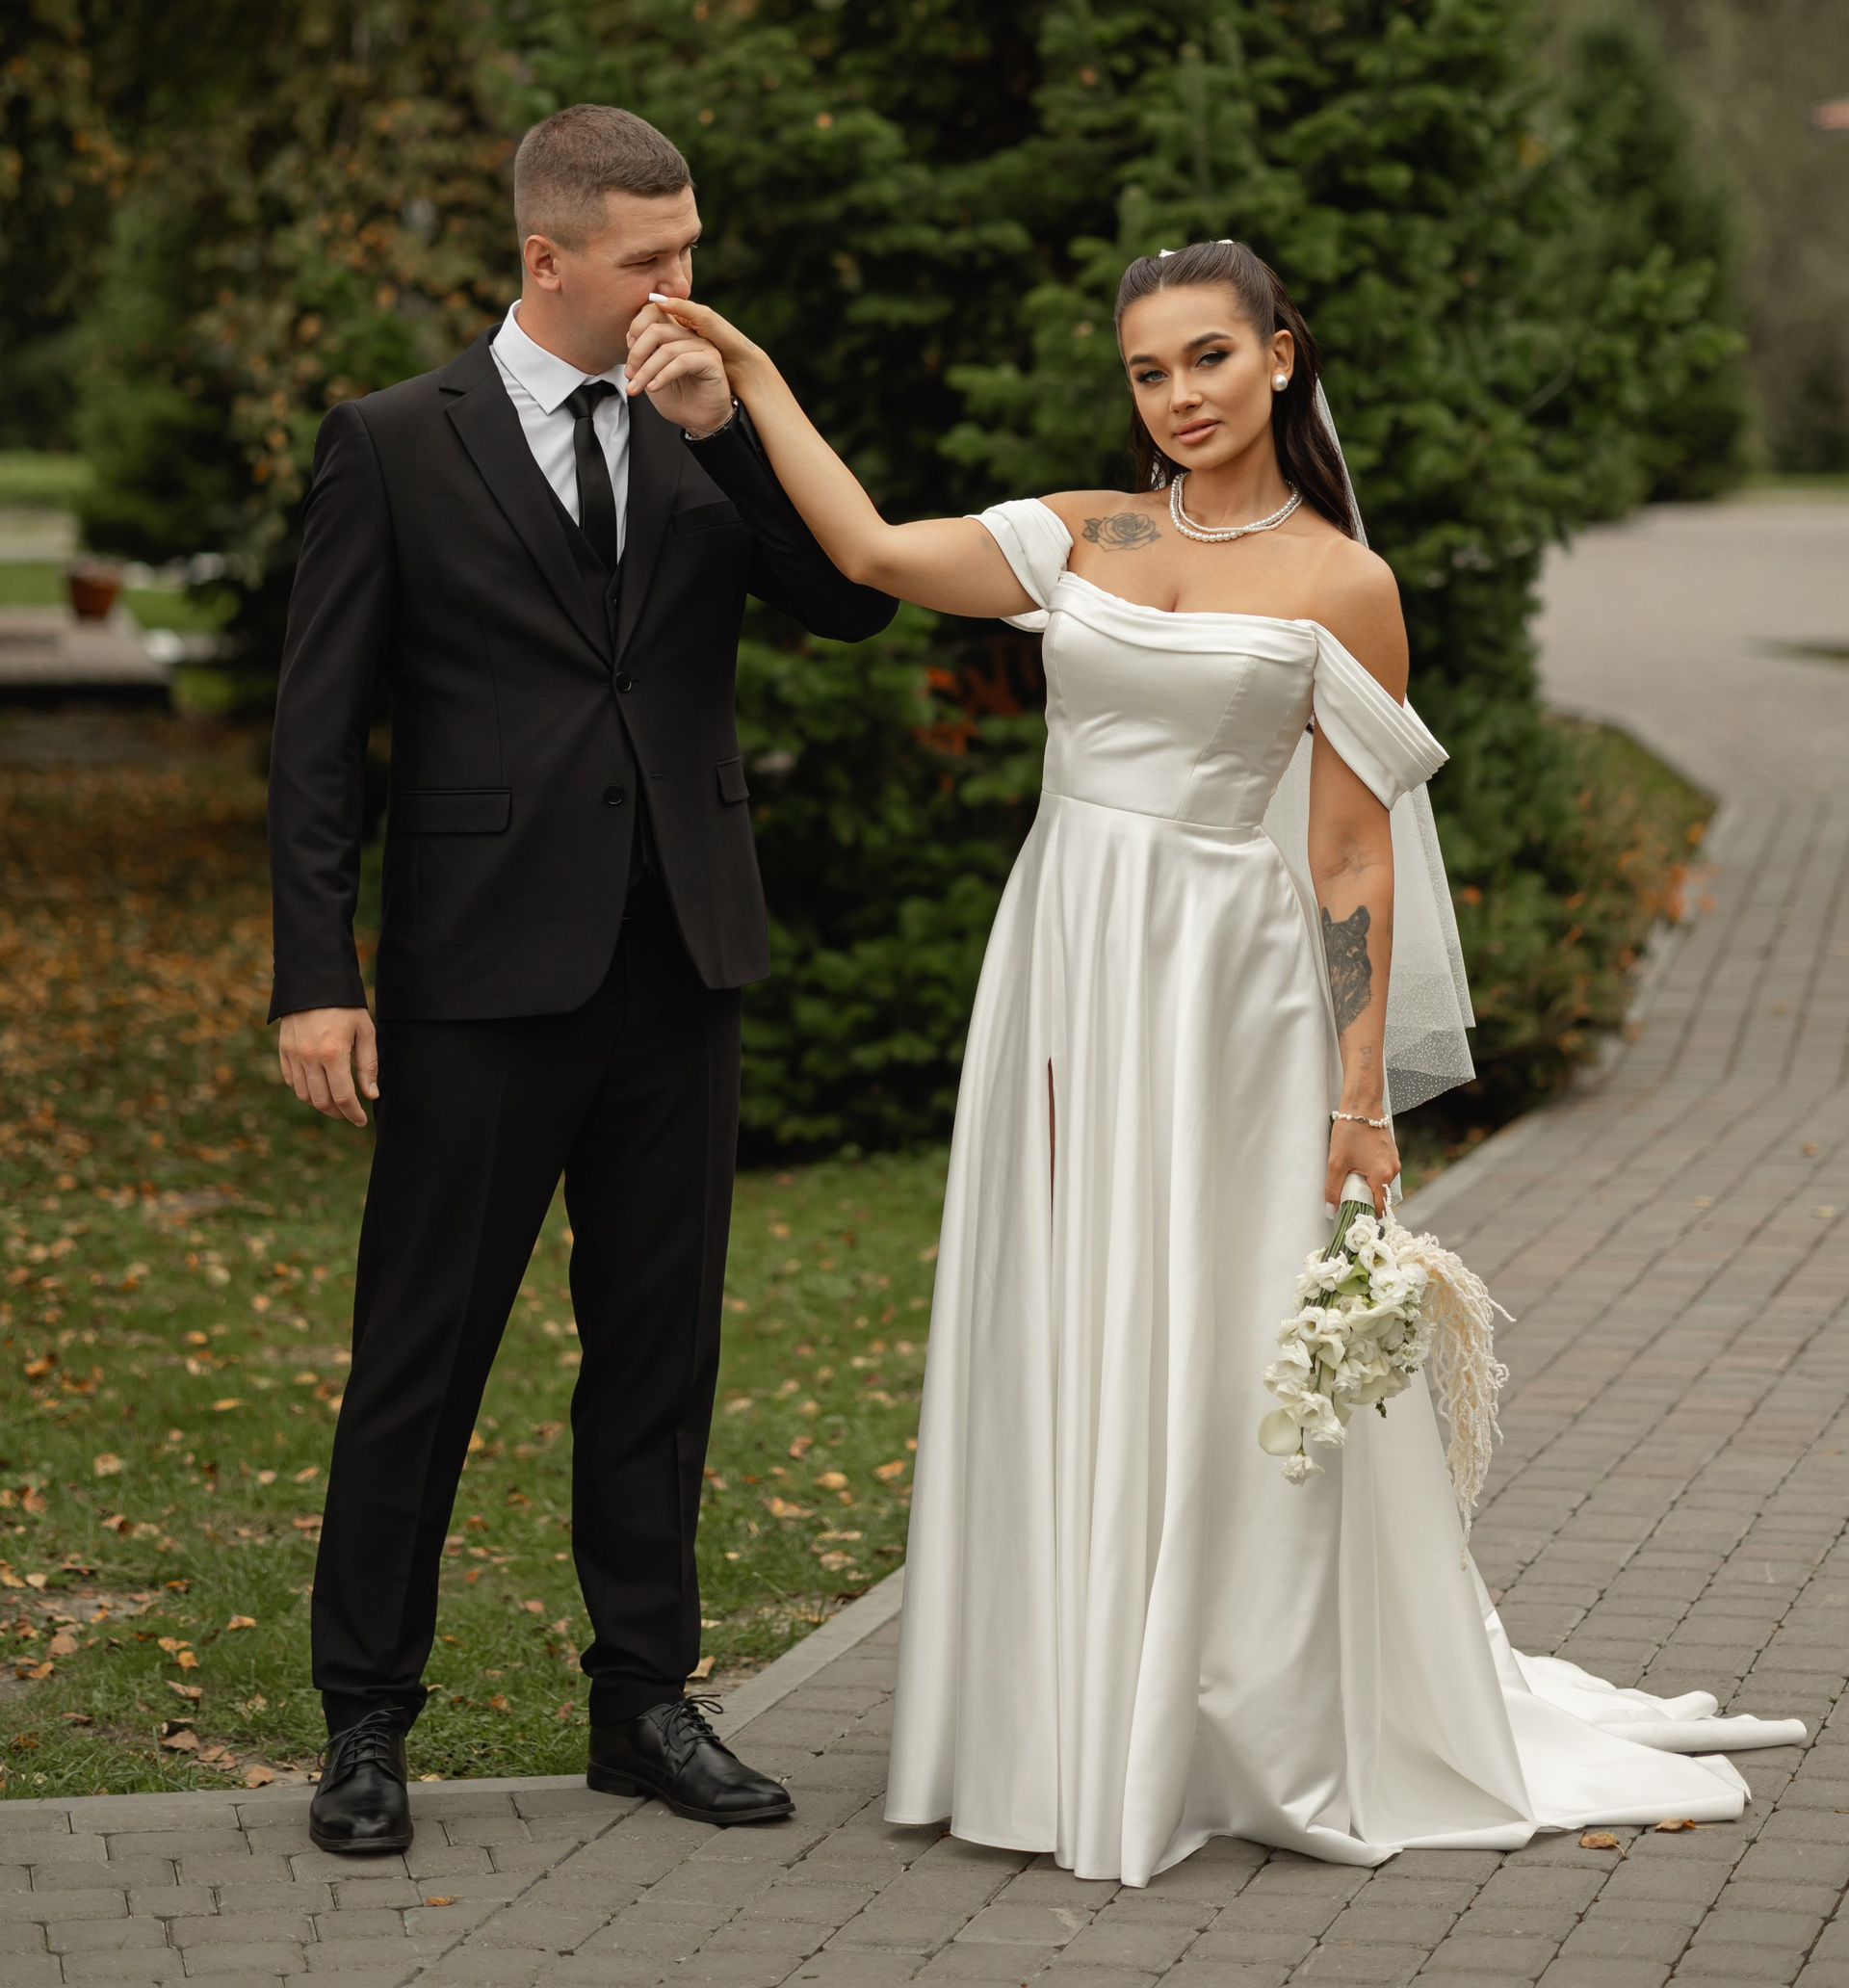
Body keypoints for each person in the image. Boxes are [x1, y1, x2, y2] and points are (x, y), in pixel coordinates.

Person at [632, 237, 1804, 1885]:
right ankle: (1057, 1709)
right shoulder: (1086, 533)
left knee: (1219, 1322)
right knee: (1066, 1299)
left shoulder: (1342, 583)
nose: (1178, 395)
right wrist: (753, 383)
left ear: (1278, 357)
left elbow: (1350, 852)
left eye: (1207, 358)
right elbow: (876, 552)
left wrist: (1357, 1097)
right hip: (1065, 957)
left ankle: (1218, 1713)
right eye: (1147, 371)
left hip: (1231, 990)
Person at [267, 104, 896, 1856]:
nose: (681, 285)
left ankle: (643, 1703)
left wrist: (735, 435)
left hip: (680, 960)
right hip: (477, 975)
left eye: (691, 250)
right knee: (422, 1356)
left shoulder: (701, 420)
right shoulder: (393, 442)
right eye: (649, 259)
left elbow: (850, 603)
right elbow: (316, 736)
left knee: (656, 1356)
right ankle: (365, 1721)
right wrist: (316, 977)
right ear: (548, 260)